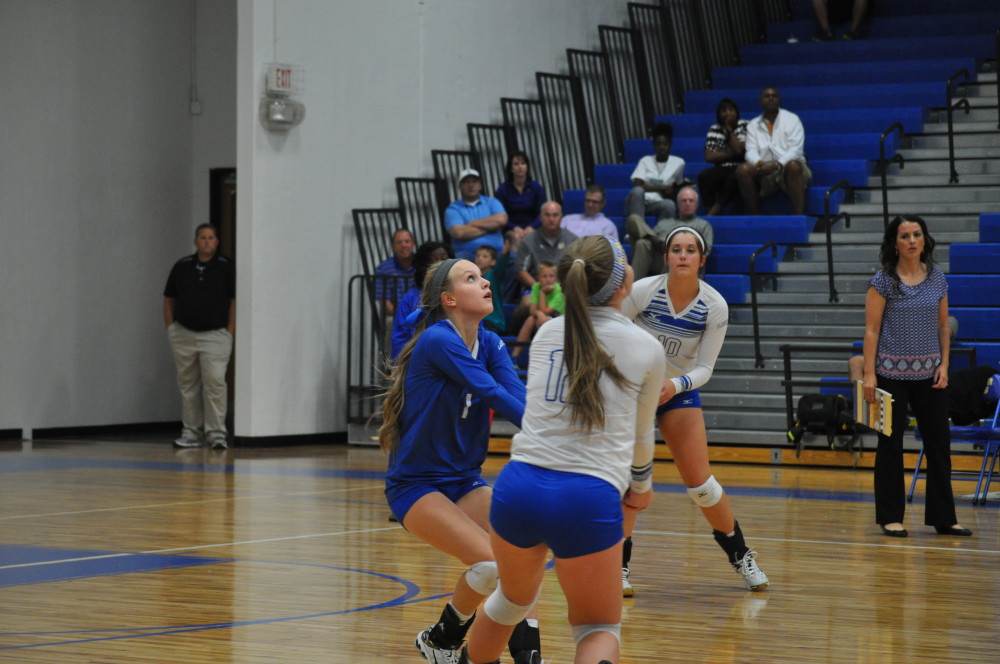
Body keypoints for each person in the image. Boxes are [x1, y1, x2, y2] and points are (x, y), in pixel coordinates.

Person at [460, 235, 666, 664]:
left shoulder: (547, 332)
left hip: (517, 488)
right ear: (626, 281)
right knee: (598, 628)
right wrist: (642, 486)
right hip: (584, 496)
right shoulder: (647, 347)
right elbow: (642, 435)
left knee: (510, 602)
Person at [379, 257, 542, 664]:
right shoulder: (439, 339)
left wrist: (551, 430)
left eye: (483, 277)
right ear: (449, 299)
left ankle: (520, 654)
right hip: (416, 485)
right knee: (490, 564)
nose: (485, 282)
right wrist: (552, 437)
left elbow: (516, 395)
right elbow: (491, 393)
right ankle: (445, 640)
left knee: (522, 555)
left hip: (463, 479)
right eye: (472, 278)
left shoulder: (489, 341)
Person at [621, 226, 769, 594]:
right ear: (666, 257)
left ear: (702, 260)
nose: (683, 255)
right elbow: (612, 333)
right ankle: (617, 568)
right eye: (676, 249)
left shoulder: (714, 305)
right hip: (633, 392)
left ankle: (741, 554)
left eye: (690, 250)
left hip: (677, 391)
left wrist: (673, 385)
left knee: (701, 485)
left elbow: (704, 369)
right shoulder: (642, 291)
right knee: (626, 482)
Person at [862, 215, 972, 538]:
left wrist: (944, 365)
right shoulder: (883, 281)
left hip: (930, 376)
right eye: (905, 236)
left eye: (917, 235)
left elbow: (942, 327)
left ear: (925, 240)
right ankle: (890, 517)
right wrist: (869, 374)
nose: (912, 240)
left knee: (939, 444)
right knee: (890, 446)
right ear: (894, 243)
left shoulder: (937, 279)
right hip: (889, 375)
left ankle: (944, 518)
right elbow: (871, 330)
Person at [163, 224, 236, 449]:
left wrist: (229, 331)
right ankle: (191, 433)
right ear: (196, 241)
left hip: (215, 335)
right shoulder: (182, 266)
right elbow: (168, 298)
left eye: (211, 237)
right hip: (183, 334)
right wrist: (171, 328)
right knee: (188, 385)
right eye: (202, 237)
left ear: (217, 242)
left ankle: (216, 434)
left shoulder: (227, 267)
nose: (206, 241)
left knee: (215, 382)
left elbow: (234, 301)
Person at [735, 87, 812, 216]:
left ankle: (798, 218)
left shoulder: (792, 119)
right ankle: (757, 216)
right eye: (767, 96)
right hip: (764, 169)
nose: (771, 98)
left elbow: (796, 150)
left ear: (779, 100)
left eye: (774, 95)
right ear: (760, 102)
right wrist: (758, 162)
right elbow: (750, 151)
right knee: (743, 170)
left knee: (793, 166)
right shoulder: (753, 124)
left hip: (789, 166)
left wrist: (777, 164)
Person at [624, 186, 715, 280]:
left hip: (679, 260)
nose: (687, 204)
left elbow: (705, 251)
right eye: (684, 201)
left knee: (642, 243)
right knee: (634, 220)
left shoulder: (703, 225)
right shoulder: (664, 222)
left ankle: (631, 288)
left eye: (691, 201)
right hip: (658, 257)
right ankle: (661, 243)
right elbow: (651, 244)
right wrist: (659, 242)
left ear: (697, 204)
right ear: (678, 204)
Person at [390, 241, 454, 358]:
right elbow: (400, 337)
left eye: (444, 259)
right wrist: (400, 367)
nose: (440, 264)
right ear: (424, 264)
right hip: (419, 359)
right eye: (435, 260)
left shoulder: (461, 295)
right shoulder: (410, 298)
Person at [697, 98, 749, 216]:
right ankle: (709, 209)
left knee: (735, 177)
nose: (727, 113)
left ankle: (712, 215)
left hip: (741, 167)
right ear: (718, 114)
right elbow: (709, 156)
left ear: (736, 112)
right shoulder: (714, 128)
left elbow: (740, 150)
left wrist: (729, 130)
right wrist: (733, 154)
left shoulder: (745, 125)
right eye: (723, 110)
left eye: (731, 110)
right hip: (721, 168)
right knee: (704, 176)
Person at [625, 122, 685, 222]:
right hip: (637, 204)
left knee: (669, 205)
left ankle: (659, 235)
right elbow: (637, 186)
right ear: (653, 145)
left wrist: (669, 191)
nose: (662, 147)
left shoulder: (679, 163)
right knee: (637, 191)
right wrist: (662, 188)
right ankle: (637, 232)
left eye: (665, 144)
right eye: (658, 144)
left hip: (656, 204)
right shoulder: (645, 160)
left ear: (670, 145)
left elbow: (677, 186)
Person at [445, 169, 508, 260]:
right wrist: (492, 227)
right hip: (468, 254)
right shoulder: (453, 208)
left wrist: (471, 223)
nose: (471, 185)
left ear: (480, 185)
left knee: (513, 258)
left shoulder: (492, 202)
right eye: (467, 182)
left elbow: (502, 220)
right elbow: (459, 233)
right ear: (460, 186)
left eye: (474, 182)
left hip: (496, 252)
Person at [511, 261, 563, 360]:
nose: (548, 280)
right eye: (544, 276)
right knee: (531, 319)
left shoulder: (559, 290)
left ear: (556, 278)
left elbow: (546, 311)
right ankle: (515, 357)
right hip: (541, 320)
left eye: (551, 276)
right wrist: (539, 314)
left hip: (558, 322)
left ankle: (542, 358)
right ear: (538, 278)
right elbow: (532, 310)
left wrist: (542, 293)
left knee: (544, 321)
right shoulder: (536, 287)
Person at [493, 151, 547, 240]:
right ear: (511, 168)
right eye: (516, 164)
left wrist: (532, 227)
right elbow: (499, 215)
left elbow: (542, 213)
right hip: (510, 229)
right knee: (516, 237)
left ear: (527, 167)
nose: (520, 167)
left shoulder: (536, 187)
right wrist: (514, 227)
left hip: (533, 228)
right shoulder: (502, 189)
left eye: (523, 163)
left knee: (533, 237)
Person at [373, 228, 416, 315]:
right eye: (399, 242)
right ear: (393, 246)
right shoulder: (383, 269)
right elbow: (384, 303)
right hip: (394, 317)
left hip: (421, 318)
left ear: (413, 244)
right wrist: (403, 317)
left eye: (407, 241)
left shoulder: (424, 265)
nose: (403, 245)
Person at [474, 243, 510, 335]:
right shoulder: (472, 279)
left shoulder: (494, 276)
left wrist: (505, 254)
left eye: (485, 256)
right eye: (478, 256)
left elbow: (501, 267)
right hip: (476, 321)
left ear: (493, 262)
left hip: (493, 322)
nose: (480, 258)